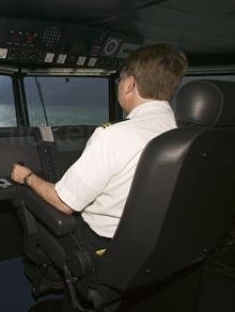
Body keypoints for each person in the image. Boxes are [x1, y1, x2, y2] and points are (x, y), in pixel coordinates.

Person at [11, 43, 188, 250]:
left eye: (120, 80)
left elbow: (63, 203)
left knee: (30, 204)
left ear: (130, 84)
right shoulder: (183, 135)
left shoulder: (112, 137)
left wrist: (28, 177)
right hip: (157, 243)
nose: (120, 85)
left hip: (105, 245)